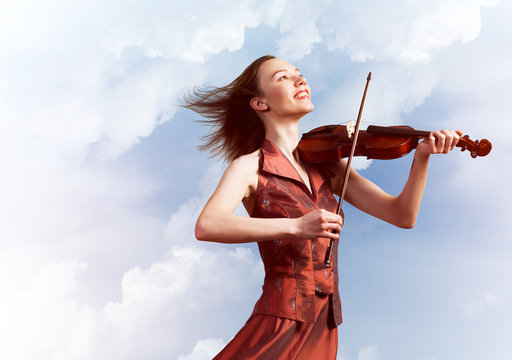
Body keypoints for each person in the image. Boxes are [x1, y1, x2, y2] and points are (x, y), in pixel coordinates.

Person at [184, 55, 462, 359]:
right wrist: (296, 226)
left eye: (299, 74)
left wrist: (421, 157)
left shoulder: (330, 165)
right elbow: (207, 225)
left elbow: (402, 216)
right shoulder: (249, 167)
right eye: (283, 78)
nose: (300, 80)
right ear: (260, 103)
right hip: (280, 318)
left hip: (325, 322)